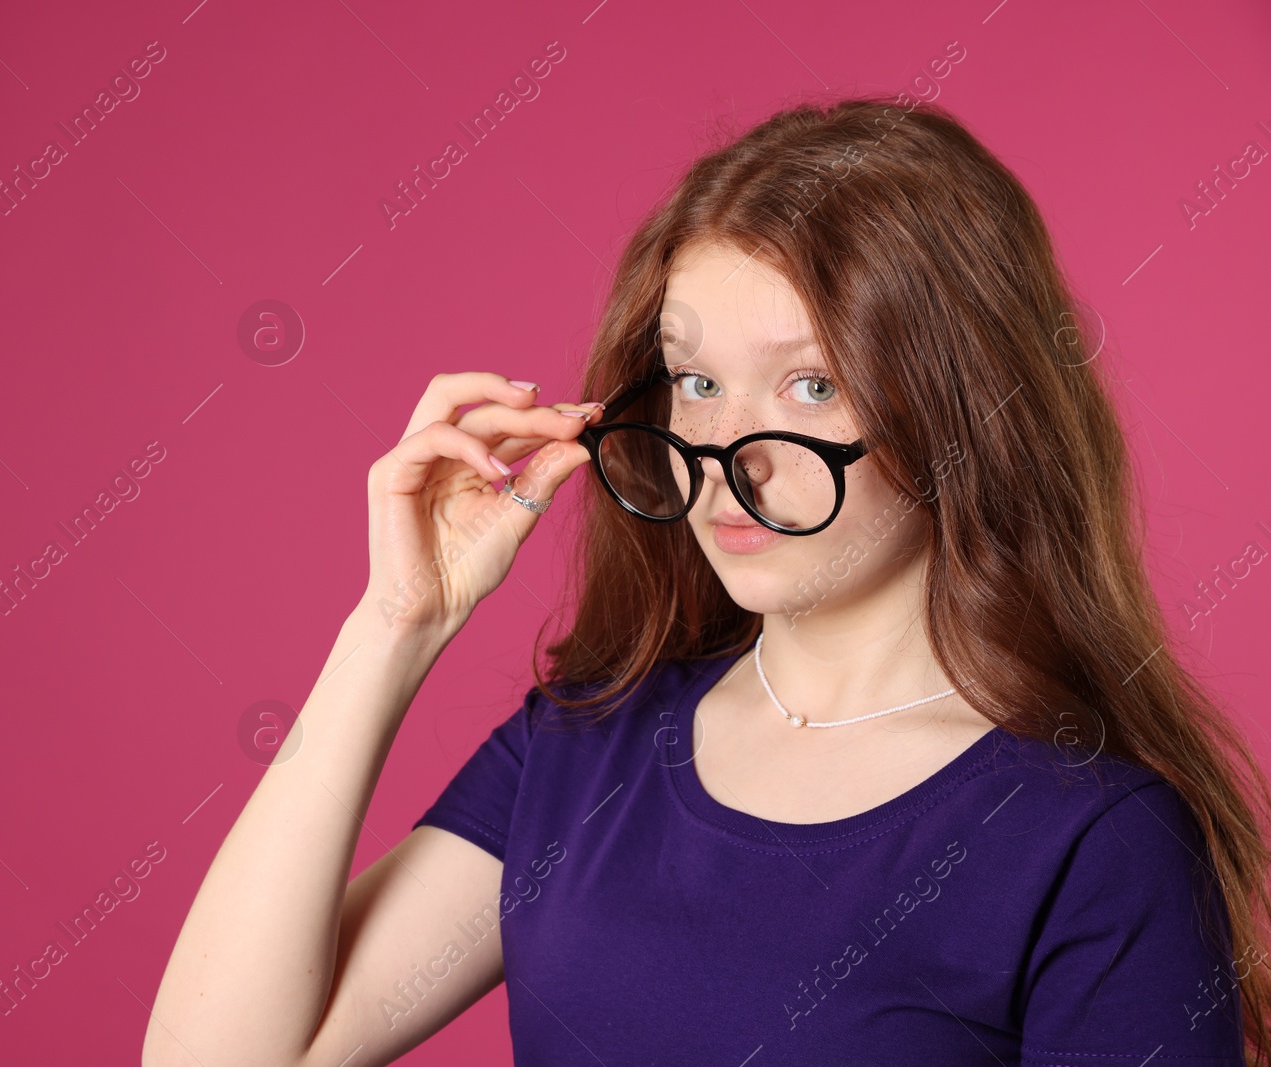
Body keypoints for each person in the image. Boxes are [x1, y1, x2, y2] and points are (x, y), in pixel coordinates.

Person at [143, 95, 1271, 1066]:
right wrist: (394, 623)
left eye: (812, 385)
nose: (730, 454)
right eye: (694, 379)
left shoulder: (1089, 837)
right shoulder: (586, 750)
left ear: (962, 412)